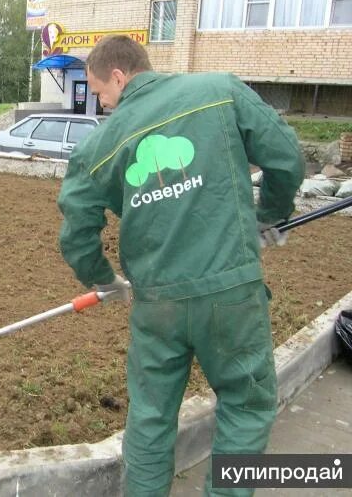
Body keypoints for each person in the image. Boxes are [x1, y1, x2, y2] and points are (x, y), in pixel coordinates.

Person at [57, 35, 304, 496]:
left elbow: (75, 231)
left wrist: (102, 278)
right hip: (231, 291)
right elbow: (286, 158)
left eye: (98, 91)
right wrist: (268, 217)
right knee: (246, 407)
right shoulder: (219, 91)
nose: (101, 103)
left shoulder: (100, 146)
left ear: (118, 75)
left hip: (158, 306)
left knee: (151, 417)